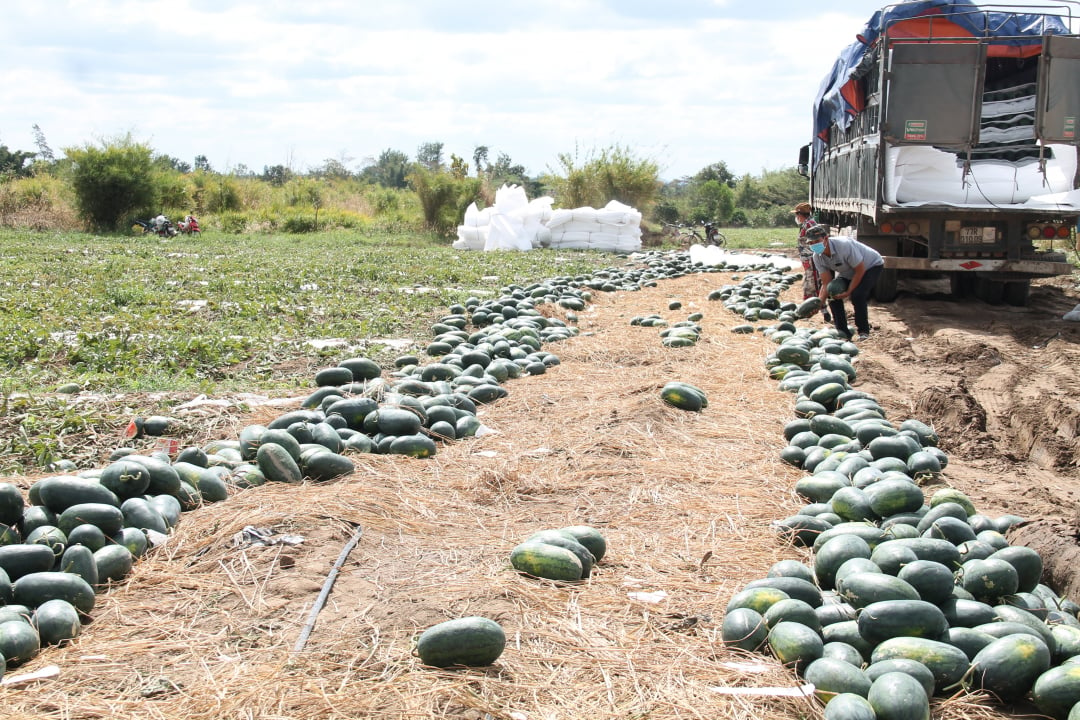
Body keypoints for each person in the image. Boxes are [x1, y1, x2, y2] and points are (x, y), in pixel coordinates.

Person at [806, 224, 885, 341]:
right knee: (832, 292)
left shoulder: (843, 246)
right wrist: (818, 304)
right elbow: (826, 282)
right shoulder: (817, 257)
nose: (814, 245)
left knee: (858, 295)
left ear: (826, 239)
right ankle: (843, 332)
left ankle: (863, 331)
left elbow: (860, 270)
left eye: (816, 241)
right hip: (849, 271)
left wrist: (848, 291)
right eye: (811, 243)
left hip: (870, 266)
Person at [792, 202, 830, 322]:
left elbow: (817, 241)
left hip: (812, 259)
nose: (796, 218)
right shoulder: (806, 224)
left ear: (800, 214)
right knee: (810, 283)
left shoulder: (810, 224)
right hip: (808, 260)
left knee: (813, 284)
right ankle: (815, 310)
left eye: (797, 215)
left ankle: (820, 311)